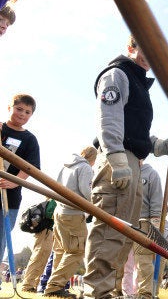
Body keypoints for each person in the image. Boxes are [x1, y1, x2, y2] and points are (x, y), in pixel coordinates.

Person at [83, 35, 168, 299]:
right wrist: (116, 157)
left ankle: (111, 291)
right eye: (144, 48)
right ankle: (96, 293)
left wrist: (157, 145)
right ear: (130, 48)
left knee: (125, 233)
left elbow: (133, 130)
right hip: (119, 160)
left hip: (132, 161)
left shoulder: (138, 82)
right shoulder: (117, 74)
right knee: (109, 230)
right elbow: (109, 118)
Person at [43, 146, 97, 298]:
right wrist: (96, 204)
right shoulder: (85, 167)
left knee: (61, 250)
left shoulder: (65, 166)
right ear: (94, 159)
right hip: (73, 213)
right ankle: (54, 286)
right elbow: (86, 191)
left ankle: (53, 285)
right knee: (77, 251)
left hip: (59, 212)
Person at [0, 94, 40, 265]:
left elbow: (30, 167)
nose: (22, 114)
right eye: (19, 109)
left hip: (10, 197)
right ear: (10, 108)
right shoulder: (0, 129)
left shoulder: (30, 140)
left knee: (1, 237)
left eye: (27, 112)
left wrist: (14, 181)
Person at [122, 161, 164, 298]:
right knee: (122, 261)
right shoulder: (127, 171)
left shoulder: (152, 174)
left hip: (144, 223)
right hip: (126, 222)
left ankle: (145, 293)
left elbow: (157, 201)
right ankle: (123, 292)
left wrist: (155, 226)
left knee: (144, 262)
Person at [20, 201, 54, 294]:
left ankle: (33, 285)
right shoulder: (54, 201)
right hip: (45, 232)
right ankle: (27, 286)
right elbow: (49, 213)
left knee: (42, 259)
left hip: (46, 232)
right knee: (38, 258)